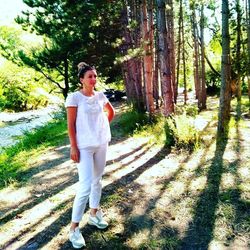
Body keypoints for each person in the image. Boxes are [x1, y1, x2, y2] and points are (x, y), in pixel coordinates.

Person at [65, 62, 115, 248]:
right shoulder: (74, 98)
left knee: (97, 180)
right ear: (81, 80)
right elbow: (70, 125)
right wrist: (73, 146)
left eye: (95, 76)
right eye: (89, 76)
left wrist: (101, 129)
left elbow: (111, 112)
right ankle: (74, 228)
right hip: (84, 147)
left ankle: (94, 214)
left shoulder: (101, 96)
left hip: (101, 143)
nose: (93, 79)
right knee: (85, 185)